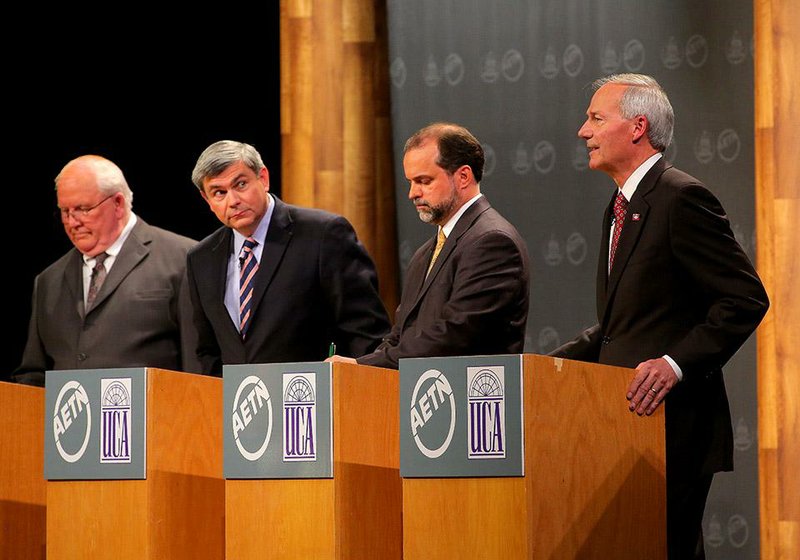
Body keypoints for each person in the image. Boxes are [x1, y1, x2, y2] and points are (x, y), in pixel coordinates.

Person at [551, 74, 769, 559]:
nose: (582, 131)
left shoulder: (680, 197)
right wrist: (547, 365)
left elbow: (744, 299)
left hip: (674, 427)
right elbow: (623, 326)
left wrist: (673, 364)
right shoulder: (620, 204)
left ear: (637, 127)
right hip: (626, 427)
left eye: (595, 118)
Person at [329, 122, 530, 369]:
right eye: (410, 182)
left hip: (474, 399)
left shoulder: (493, 241)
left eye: (424, 181)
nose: (412, 193)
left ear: (463, 177)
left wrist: (364, 365)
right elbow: (400, 335)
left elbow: (455, 334)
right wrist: (365, 366)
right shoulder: (425, 252)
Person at [186, 140, 390, 375]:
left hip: (312, 401)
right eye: (219, 193)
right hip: (239, 407)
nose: (232, 201)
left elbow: (366, 333)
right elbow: (208, 351)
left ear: (263, 178)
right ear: (206, 200)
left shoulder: (324, 234)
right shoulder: (201, 258)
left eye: (240, 184)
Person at [13, 155, 200, 386]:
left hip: (157, 418)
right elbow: (33, 374)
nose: (73, 222)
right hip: (73, 421)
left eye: (83, 209)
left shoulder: (183, 258)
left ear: (118, 204)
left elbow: (198, 366)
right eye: (65, 211)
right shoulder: (48, 281)